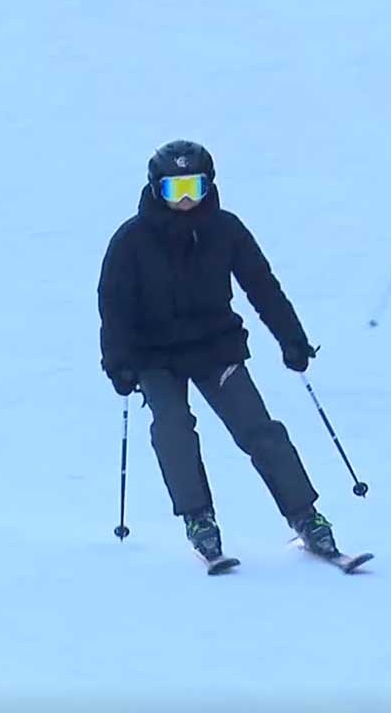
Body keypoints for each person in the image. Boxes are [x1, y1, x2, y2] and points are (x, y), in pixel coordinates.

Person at [98, 140, 339, 566]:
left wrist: (292, 338)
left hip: (215, 347)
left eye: (195, 187)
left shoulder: (225, 230)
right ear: (156, 190)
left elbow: (262, 285)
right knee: (173, 429)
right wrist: (118, 362)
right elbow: (113, 305)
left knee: (259, 430)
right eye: (175, 190)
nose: (187, 200)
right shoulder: (131, 240)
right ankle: (199, 519)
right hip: (156, 356)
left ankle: (305, 515)